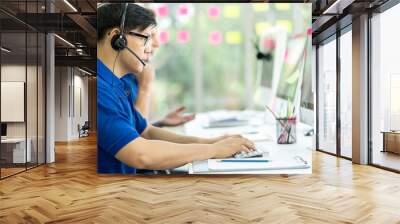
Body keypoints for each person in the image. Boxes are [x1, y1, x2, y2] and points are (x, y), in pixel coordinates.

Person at [97, 3, 255, 174]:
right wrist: (214, 151)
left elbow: (146, 132)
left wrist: (211, 143)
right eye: (146, 37)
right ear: (117, 38)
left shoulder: (118, 84)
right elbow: (140, 154)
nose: (150, 47)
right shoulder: (99, 89)